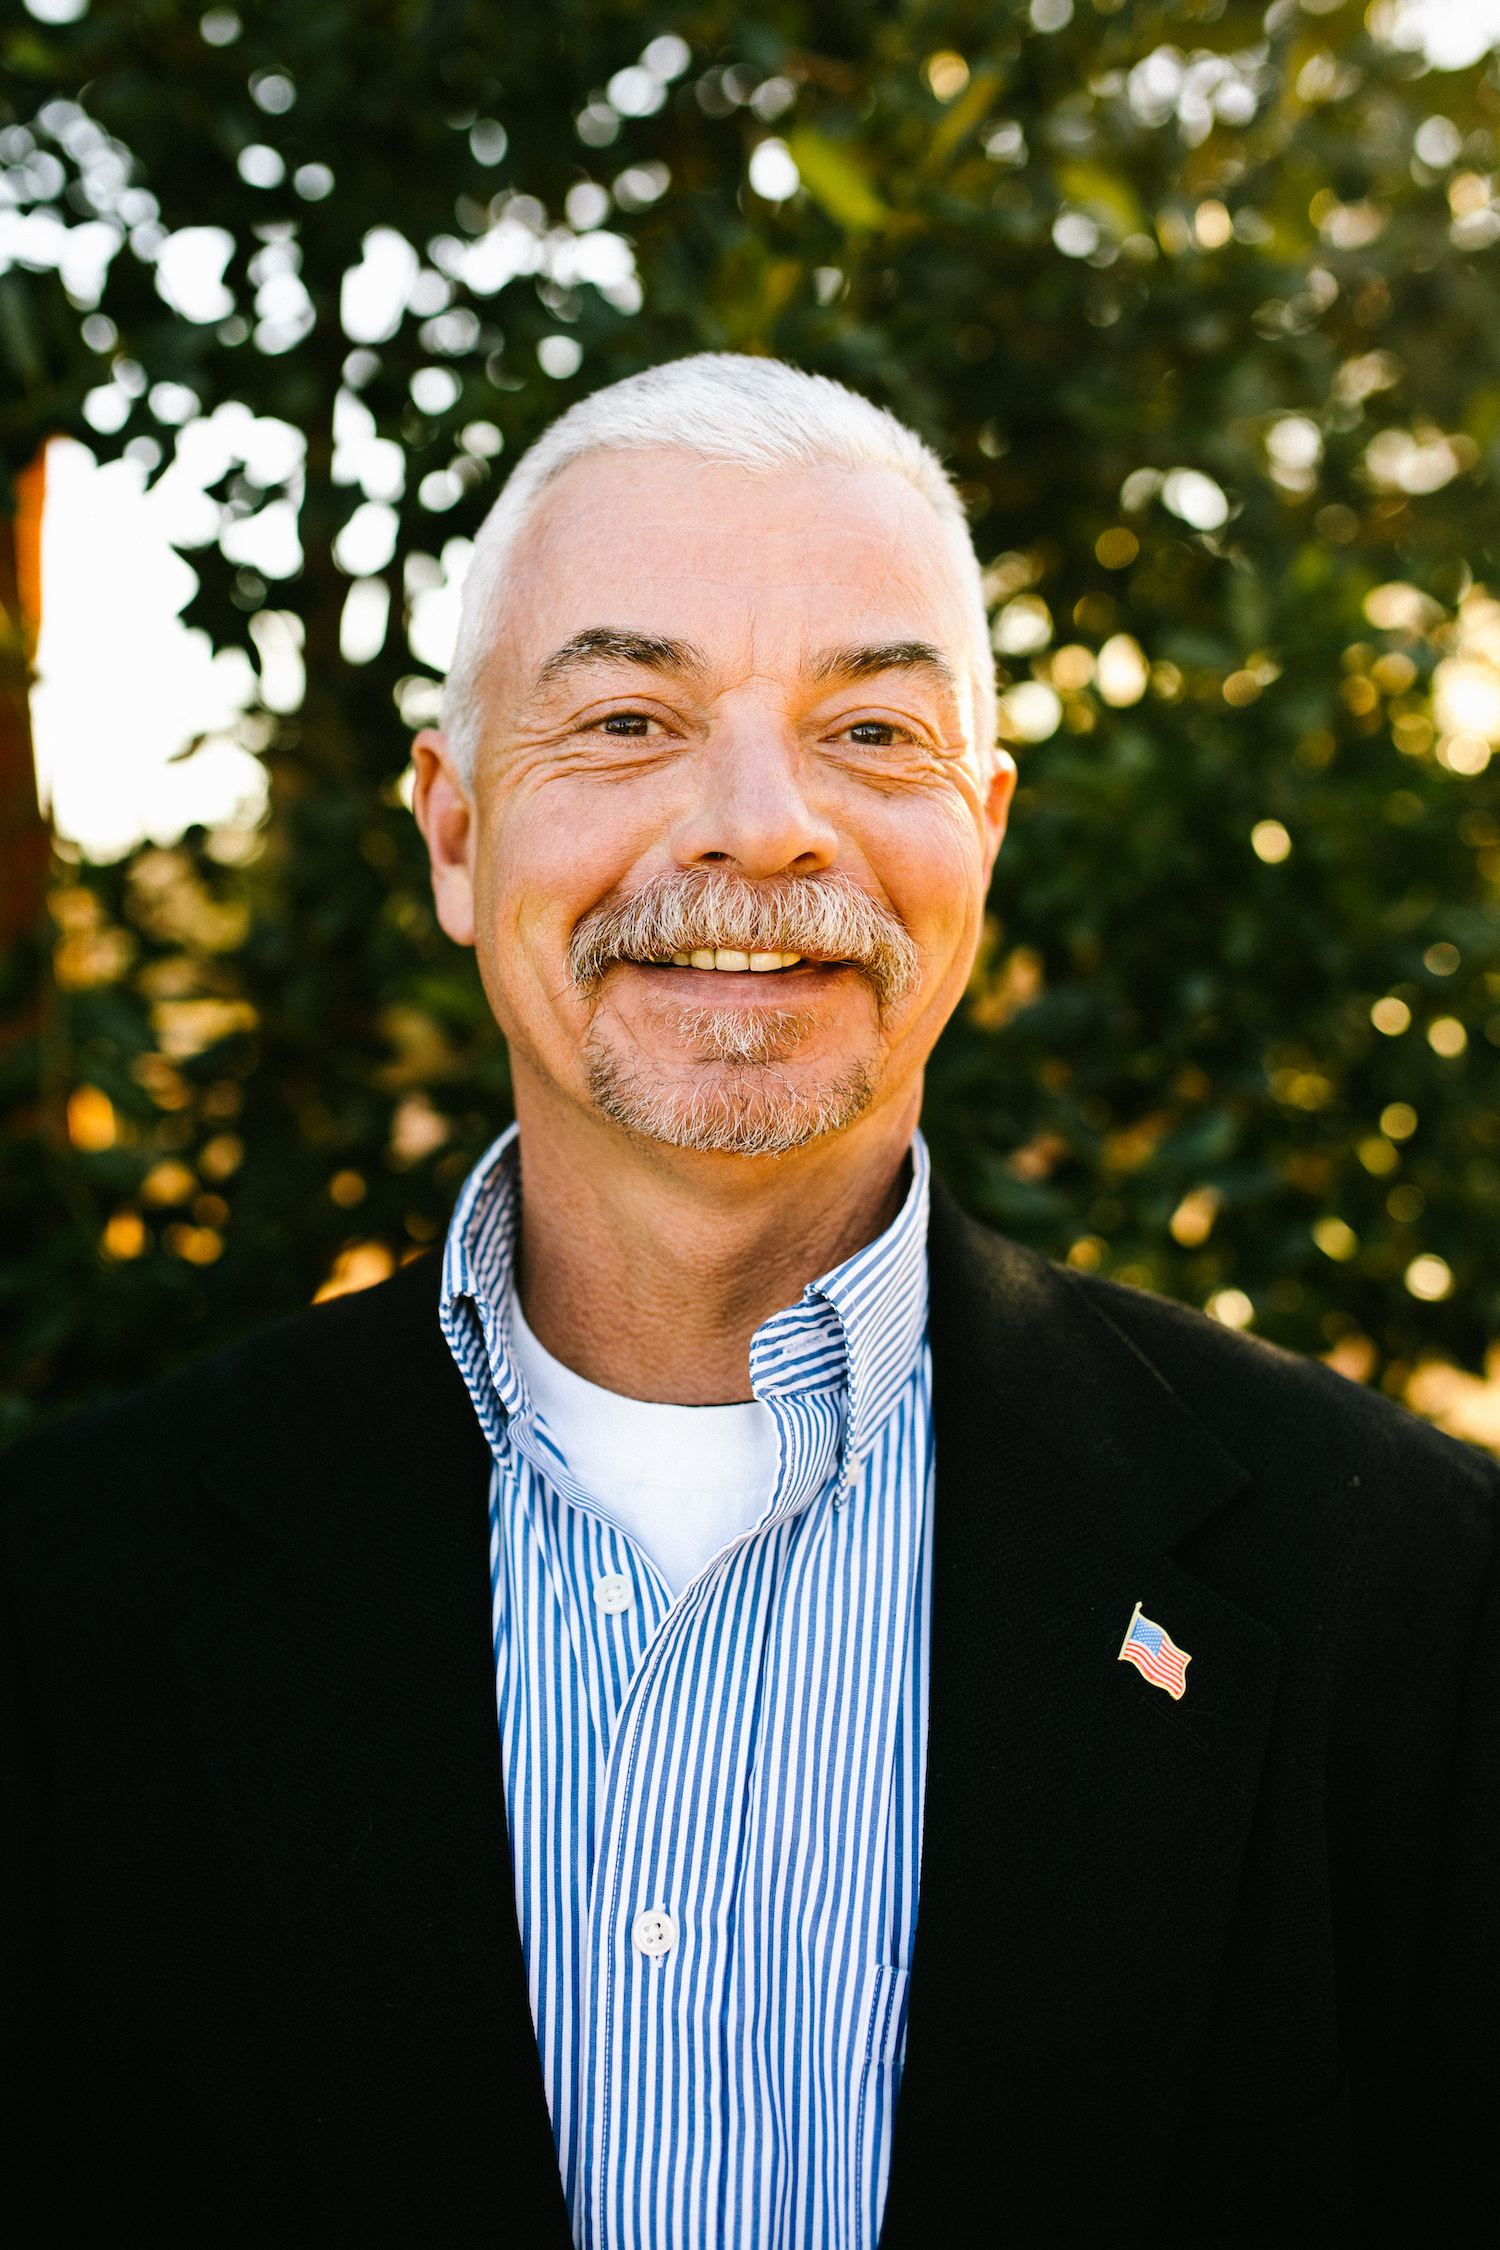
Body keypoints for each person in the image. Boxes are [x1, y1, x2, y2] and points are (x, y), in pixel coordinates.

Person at [2, 355, 1495, 2250]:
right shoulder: (63, 1599)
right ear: (457, 835)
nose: (763, 825)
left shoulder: (1407, 1597)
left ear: (987, 829)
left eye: (873, 731)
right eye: (628, 714)